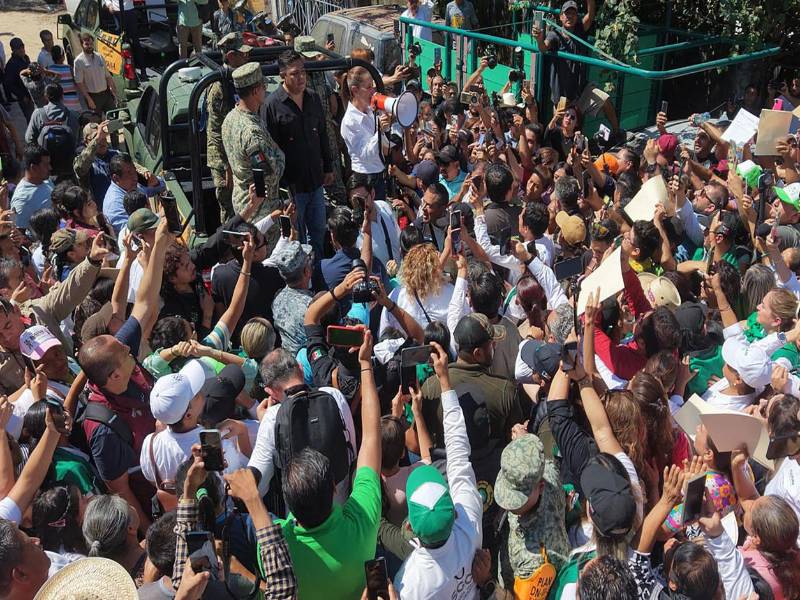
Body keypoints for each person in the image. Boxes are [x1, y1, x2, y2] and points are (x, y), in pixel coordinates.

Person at [270, 328, 381, 599]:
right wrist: (365, 364)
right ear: (334, 487)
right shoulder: (361, 525)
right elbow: (371, 438)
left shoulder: (276, 547)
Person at [76, 217, 171, 534]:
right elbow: (122, 491)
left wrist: (158, 245)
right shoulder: (101, 429)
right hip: (159, 505)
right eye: (127, 354)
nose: (133, 350)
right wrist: (150, 536)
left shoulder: (114, 352)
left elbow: (144, 305)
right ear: (115, 376)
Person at [394, 342, 484, 597]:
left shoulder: (409, 583)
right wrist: (445, 381)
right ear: (454, 512)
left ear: (409, 526)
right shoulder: (469, 521)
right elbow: (458, 452)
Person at [264, 49, 333, 262]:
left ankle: (319, 273)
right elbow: (269, 151)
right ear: (283, 75)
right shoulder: (272, 106)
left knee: (319, 234)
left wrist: (329, 167)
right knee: (296, 238)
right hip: (292, 188)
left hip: (315, 182)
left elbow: (323, 133)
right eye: (294, 73)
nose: (301, 77)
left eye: (303, 72)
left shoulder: (312, 98)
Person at [222, 61, 285, 222]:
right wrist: (279, 152)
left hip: (243, 203)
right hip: (261, 210)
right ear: (256, 91)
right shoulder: (252, 132)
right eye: (264, 87)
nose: (266, 90)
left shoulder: (230, 118)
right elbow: (272, 173)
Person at [206, 32, 251, 222]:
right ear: (231, 56)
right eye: (242, 54)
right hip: (223, 158)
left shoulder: (238, 80)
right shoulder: (219, 86)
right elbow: (216, 131)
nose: (246, 57)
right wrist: (227, 166)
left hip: (239, 154)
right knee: (229, 207)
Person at [341, 67, 390, 199]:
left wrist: (384, 130)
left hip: (378, 173)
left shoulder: (370, 111)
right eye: (368, 87)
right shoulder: (349, 122)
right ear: (355, 90)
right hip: (364, 179)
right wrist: (379, 131)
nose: (373, 91)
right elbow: (365, 154)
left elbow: (383, 148)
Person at [270, 241, 314, 356]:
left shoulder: (277, 299)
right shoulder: (313, 305)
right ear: (306, 271)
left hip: (289, 362)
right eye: (308, 260)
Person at [24, 83, 79, 177]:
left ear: (46, 96)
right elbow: (77, 140)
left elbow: (29, 139)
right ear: (62, 96)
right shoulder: (73, 115)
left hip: (46, 169)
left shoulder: (38, 114)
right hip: (68, 167)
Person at [102, 152, 165, 233]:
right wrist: (159, 216)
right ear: (116, 178)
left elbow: (159, 186)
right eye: (129, 173)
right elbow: (130, 235)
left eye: (134, 171)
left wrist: (156, 182)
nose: (135, 177)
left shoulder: (132, 185)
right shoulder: (114, 205)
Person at [10, 144, 53, 232]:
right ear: (33, 168)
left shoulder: (46, 179)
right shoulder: (22, 200)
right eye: (46, 165)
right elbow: (19, 234)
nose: (50, 168)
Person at [73, 33, 118, 115]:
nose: (90, 46)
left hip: (106, 94)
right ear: (81, 45)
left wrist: (113, 90)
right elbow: (79, 83)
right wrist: (88, 99)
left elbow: (107, 75)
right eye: (87, 44)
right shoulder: (78, 61)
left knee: (113, 119)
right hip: (93, 97)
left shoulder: (99, 57)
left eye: (91, 43)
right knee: (96, 123)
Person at [4, 38, 33, 120]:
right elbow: (8, 84)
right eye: (19, 49)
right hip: (24, 97)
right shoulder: (11, 65)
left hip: (31, 93)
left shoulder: (26, 58)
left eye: (22, 47)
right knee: (30, 118)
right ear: (13, 50)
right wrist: (22, 96)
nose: (22, 50)